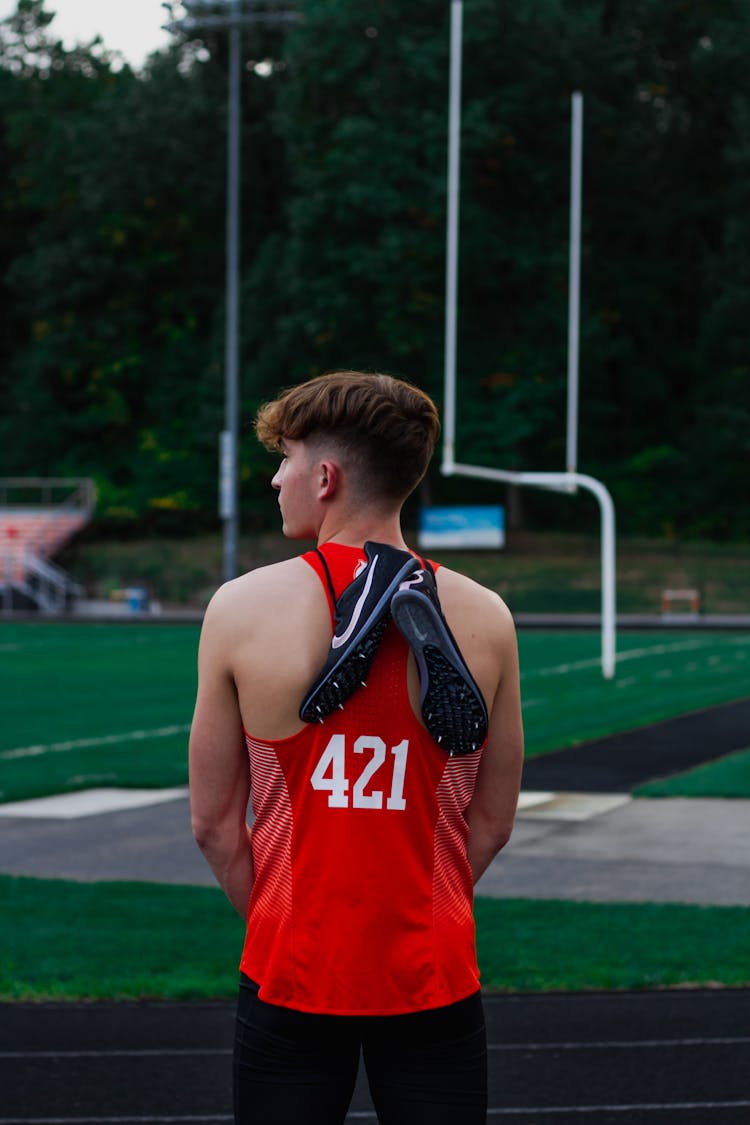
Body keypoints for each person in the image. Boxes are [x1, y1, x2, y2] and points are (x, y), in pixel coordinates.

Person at [189, 370, 524, 1124]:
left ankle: (367, 603)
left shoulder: (239, 609)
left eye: (286, 458)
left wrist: (284, 921)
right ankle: (396, 595)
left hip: (293, 966)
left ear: (326, 476)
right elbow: (494, 821)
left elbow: (213, 824)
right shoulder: (490, 615)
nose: (277, 478)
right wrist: (412, 906)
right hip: (431, 966)